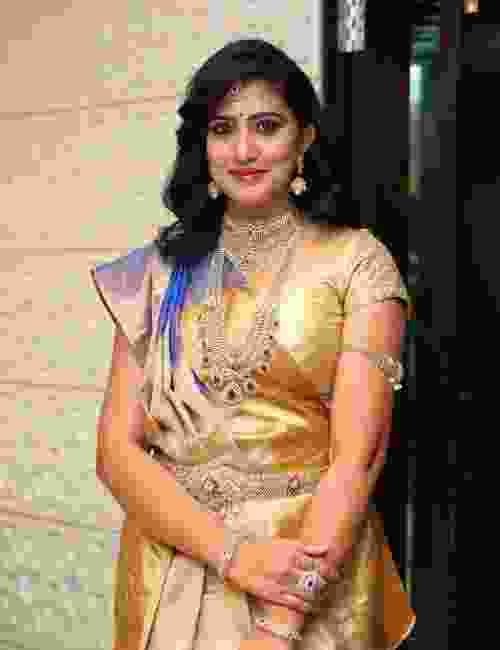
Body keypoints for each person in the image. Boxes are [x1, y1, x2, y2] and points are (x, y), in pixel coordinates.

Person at [90, 39, 415, 650]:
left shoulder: (356, 262)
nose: (243, 150)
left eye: (266, 126)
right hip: (172, 571)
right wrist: (231, 553)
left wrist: (278, 625)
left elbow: (357, 459)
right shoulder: (157, 273)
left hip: (305, 579)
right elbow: (116, 451)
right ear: (202, 145)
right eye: (223, 129)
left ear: (305, 138)